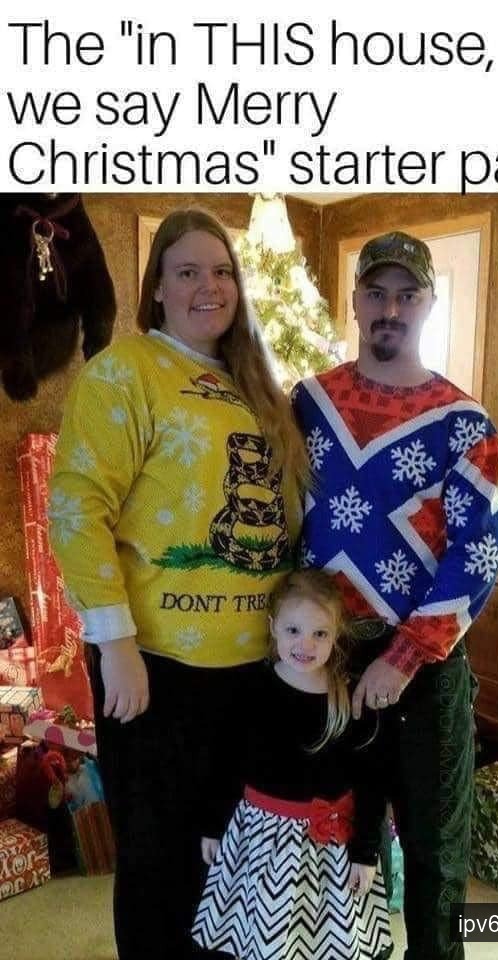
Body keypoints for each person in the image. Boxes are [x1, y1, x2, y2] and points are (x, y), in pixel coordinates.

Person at [48, 208, 307, 960]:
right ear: (157, 287)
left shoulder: (256, 386)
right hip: (158, 668)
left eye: (221, 272)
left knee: (232, 861)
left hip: (254, 669)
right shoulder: (124, 372)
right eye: (187, 271)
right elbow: (77, 506)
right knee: (159, 863)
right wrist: (115, 643)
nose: (208, 286)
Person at [292, 231, 498, 960]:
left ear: (428, 304)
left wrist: (405, 656)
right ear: (354, 301)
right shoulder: (309, 404)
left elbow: (477, 553)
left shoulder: (464, 424)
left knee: (433, 854)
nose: (390, 309)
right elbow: (283, 516)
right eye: (376, 293)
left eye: (406, 295)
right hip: (322, 658)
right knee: (332, 842)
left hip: (421, 670)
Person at [192, 569, 393, 960]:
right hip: (260, 843)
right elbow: (225, 764)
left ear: (336, 635)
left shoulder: (349, 697)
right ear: (273, 627)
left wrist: (365, 852)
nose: (306, 644)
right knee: (264, 941)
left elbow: (371, 781)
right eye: (294, 630)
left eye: (320, 633)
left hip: (329, 850)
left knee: (327, 944)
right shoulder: (252, 689)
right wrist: (213, 826)